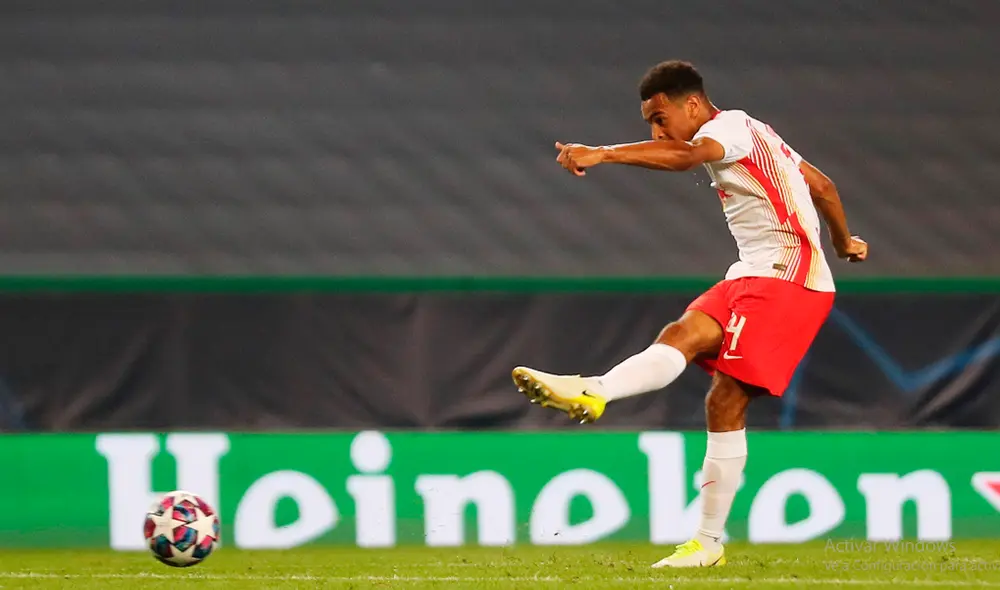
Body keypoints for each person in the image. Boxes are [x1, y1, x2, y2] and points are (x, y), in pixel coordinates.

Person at [511, 60, 868, 568]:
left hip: (789, 280)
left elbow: (685, 157)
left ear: (694, 104)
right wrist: (844, 241)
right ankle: (595, 390)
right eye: (651, 124)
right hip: (750, 273)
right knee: (680, 334)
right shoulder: (756, 132)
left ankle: (707, 542)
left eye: (660, 119)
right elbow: (823, 186)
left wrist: (604, 153)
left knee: (725, 399)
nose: (658, 132)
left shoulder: (729, 128)